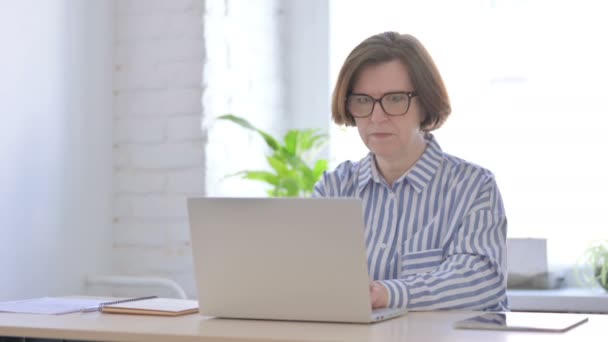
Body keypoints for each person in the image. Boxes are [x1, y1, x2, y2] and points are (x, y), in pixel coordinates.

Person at [313, 31, 508, 311]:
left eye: (394, 99)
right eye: (363, 101)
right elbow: (310, 279)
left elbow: (480, 280)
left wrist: (387, 293)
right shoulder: (333, 189)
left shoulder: (473, 186)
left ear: (425, 103)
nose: (377, 117)